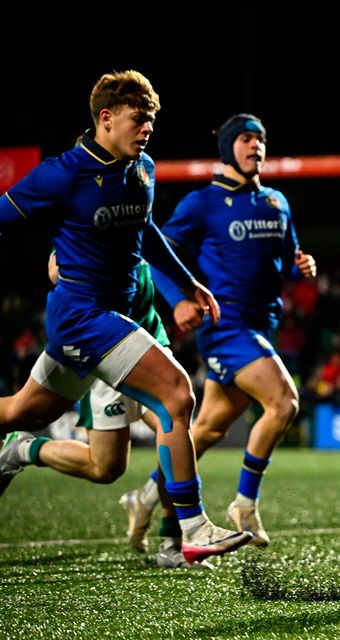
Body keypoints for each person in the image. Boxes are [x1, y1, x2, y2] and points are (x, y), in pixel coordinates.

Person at [0, 70, 252, 564]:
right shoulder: (63, 173)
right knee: (176, 394)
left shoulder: (142, 169)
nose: (147, 130)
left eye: (152, 122)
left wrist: (187, 282)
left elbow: (146, 229)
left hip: (111, 318)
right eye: (139, 120)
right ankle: (190, 528)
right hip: (83, 318)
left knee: (34, 421)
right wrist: (53, 254)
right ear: (106, 118)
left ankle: (15, 451)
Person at [123, 113, 317, 549]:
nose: (256, 147)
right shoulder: (202, 203)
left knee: (206, 430)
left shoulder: (276, 202)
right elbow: (157, 254)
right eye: (247, 139)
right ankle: (245, 503)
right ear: (228, 147)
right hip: (225, 327)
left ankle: (147, 496)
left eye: (261, 140)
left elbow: (285, 259)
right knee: (284, 403)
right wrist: (179, 301)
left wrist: (300, 266)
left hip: (262, 325)